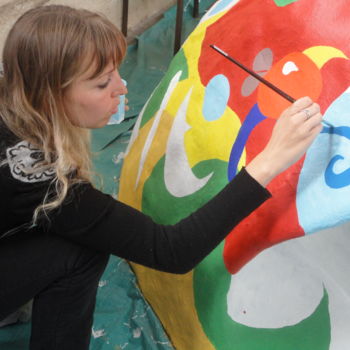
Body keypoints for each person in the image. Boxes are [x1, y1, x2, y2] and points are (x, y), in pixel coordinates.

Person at [0, 5, 323, 350]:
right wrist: (271, 160)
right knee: (81, 250)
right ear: (51, 95)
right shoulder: (37, 175)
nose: (122, 89)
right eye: (101, 83)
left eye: (116, 73)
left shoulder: (15, 92)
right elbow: (171, 251)